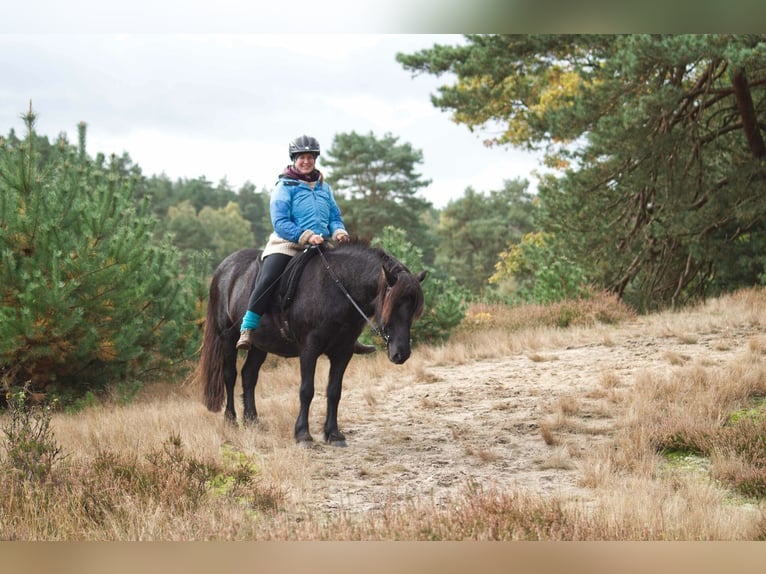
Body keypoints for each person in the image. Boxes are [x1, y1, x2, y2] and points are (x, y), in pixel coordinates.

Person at [236, 135, 374, 354]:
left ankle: (349, 337)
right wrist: (305, 236)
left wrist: (338, 231)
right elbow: (280, 222)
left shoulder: (324, 188)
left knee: (345, 282)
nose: (306, 161)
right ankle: (248, 327)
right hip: (288, 244)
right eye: (302, 157)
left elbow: (335, 217)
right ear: (294, 159)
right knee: (269, 278)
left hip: (320, 245)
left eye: (310, 157)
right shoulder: (284, 186)